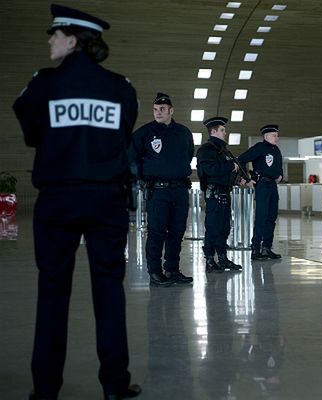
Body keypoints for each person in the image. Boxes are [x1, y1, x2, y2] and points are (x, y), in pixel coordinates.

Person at [12, 4, 141, 399]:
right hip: (106, 201)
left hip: (59, 199)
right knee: (109, 290)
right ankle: (115, 386)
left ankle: (46, 388)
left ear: (73, 39)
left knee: (52, 291)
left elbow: (31, 132)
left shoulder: (44, 85)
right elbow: (123, 136)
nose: (49, 40)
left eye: (55, 34)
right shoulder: (121, 87)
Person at [128, 93, 195, 287]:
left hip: (180, 190)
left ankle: (172, 269)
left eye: (162, 109)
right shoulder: (145, 133)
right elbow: (130, 157)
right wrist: (142, 176)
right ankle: (155, 272)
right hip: (158, 191)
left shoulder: (183, 132)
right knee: (157, 232)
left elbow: (189, 154)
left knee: (177, 231)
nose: (158, 113)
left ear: (171, 110)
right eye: (156, 110)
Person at [195, 117, 243, 273]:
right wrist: (230, 166)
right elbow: (211, 170)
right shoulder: (206, 150)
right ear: (213, 131)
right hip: (214, 194)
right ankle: (210, 260)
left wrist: (240, 179)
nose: (225, 132)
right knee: (213, 228)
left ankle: (222, 258)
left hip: (225, 192)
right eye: (222, 130)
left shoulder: (224, 151)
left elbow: (233, 169)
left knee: (224, 228)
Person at [238, 124, 284, 260]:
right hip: (262, 185)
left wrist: (281, 176)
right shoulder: (259, 148)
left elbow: (278, 166)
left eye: (277, 135)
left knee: (271, 217)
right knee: (261, 218)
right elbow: (241, 159)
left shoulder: (276, 150)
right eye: (274, 135)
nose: (277, 138)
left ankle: (266, 248)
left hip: (273, 185)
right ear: (266, 136)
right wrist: (247, 179)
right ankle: (255, 249)